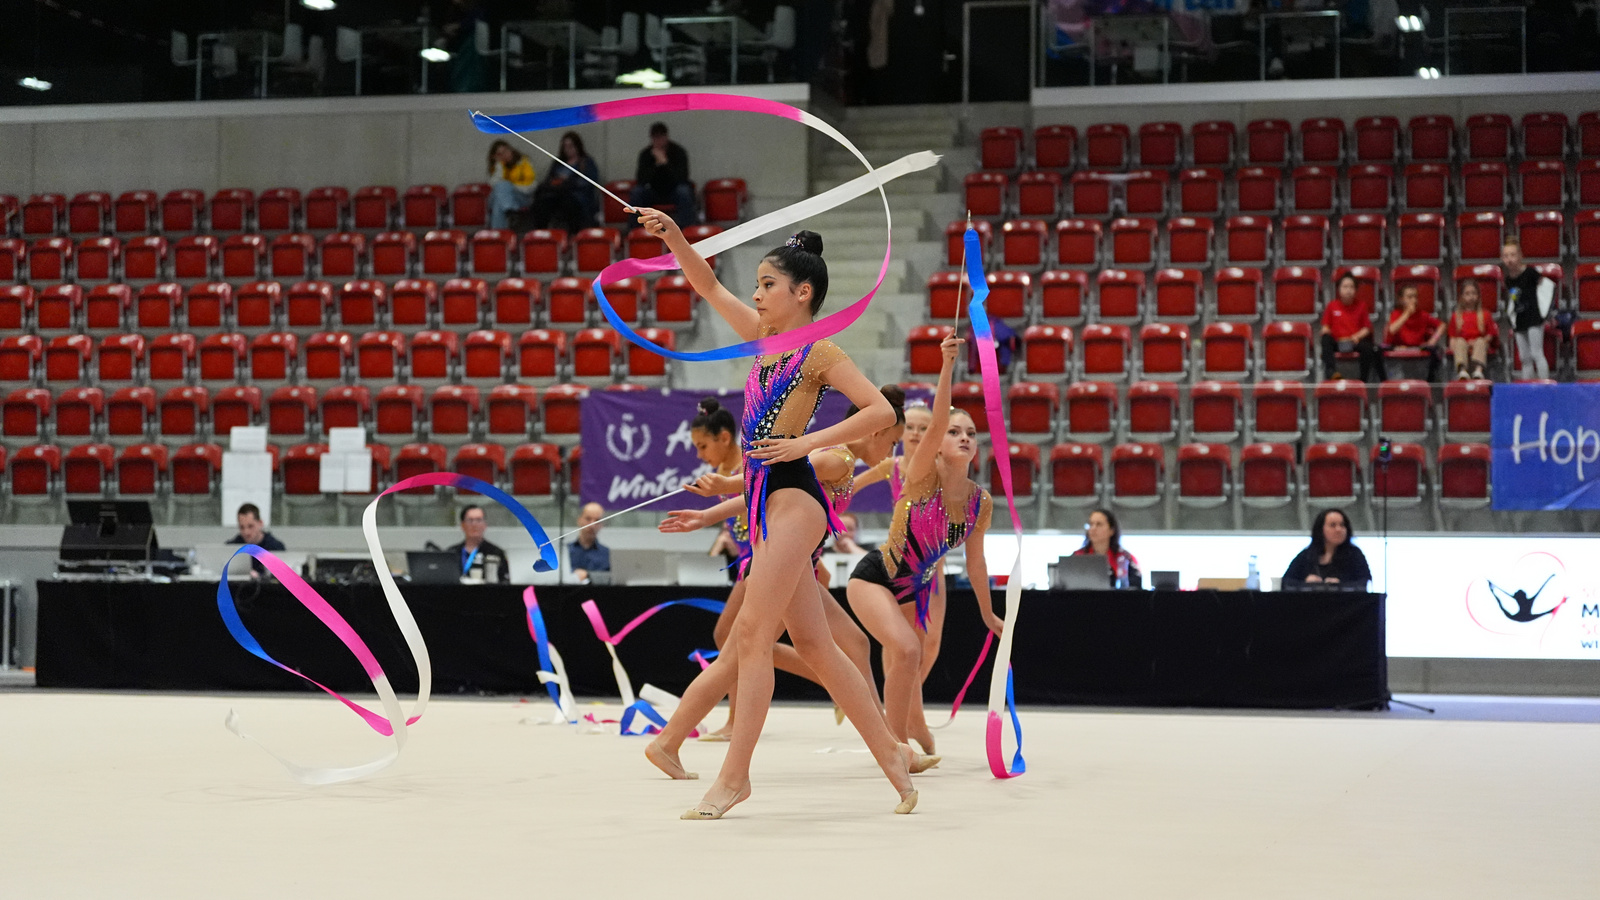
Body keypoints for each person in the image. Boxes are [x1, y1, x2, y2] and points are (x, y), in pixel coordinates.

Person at [634, 210, 918, 819]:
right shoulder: (764, 341)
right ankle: (892, 756)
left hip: (795, 499)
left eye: (767, 284)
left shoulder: (820, 350)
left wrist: (806, 445)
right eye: (758, 284)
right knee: (818, 648)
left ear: (803, 293)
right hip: (767, 501)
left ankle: (734, 777)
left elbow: (878, 413)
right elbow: (708, 287)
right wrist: (676, 239)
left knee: (753, 636)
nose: (757, 294)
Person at [678, 387, 905, 742]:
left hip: (798, 566)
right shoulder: (837, 460)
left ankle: (890, 741)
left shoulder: (843, 464)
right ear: (876, 431)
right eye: (893, 443)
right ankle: (677, 737)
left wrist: (709, 512)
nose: (892, 452)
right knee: (737, 650)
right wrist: (716, 501)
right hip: (782, 564)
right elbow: (772, 481)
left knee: (850, 644)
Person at [846, 335, 1003, 758]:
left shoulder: (980, 502)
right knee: (906, 649)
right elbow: (933, 425)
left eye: (971, 433)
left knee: (914, 655)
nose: (964, 438)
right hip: (875, 577)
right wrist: (947, 365)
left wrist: (989, 614)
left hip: (919, 585)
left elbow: (977, 564)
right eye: (955, 432)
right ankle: (895, 746)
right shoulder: (916, 474)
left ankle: (906, 737)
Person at [529, 131, 600, 233]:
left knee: (569, 203)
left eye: (571, 146)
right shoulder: (558, 163)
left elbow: (589, 182)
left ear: (577, 146)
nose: (568, 149)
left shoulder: (586, 162)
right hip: (557, 194)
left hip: (576, 196)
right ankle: (541, 233)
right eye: (565, 146)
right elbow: (549, 180)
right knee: (542, 203)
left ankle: (573, 234)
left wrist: (568, 182)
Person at [629, 122, 697, 227]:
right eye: (655, 138)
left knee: (684, 191)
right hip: (654, 191)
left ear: (666, 137)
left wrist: (665, 163)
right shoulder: (646, 154)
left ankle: (688, 228)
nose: (658, 141)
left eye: (661, 137)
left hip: (673, 191)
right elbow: (641, 179)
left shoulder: (678, 152)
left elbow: (682, 177)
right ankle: (635, 230)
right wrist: (656, 165)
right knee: (637, 192)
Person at [1282, 508, 1372, 588]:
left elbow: (1364, 583)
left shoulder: (1355, 554)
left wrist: (1341, 585)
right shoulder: (1307, 555)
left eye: (1342, 525)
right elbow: (1286, 582)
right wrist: (1306, 583)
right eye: (1333, 525)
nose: (1339, 529)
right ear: (1321, 530)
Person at [1320, 272, 1383, 382]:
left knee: (1368, 348)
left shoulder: (1361, 305)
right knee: (1325, 340)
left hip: (1354, 341)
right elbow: (1326, 326)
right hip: (1338, 342)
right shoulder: (1332, 305)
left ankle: (1363, 380)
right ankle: (1331, 372)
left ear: (1355, 290)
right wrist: (1325, 330)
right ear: (1339, 289)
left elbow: (1367, 328)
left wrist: (1357, 336)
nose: (1348, 290)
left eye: (1351, 287)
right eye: (1345, 287)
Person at [1502, 237, 1551, 381]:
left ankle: (1545, 385)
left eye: (1512, 255)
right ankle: (1527, 387)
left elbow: (1545, 287)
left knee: (1537, 353)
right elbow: (1514, 298)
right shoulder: (1508, 279)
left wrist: (1545, 310)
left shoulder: (1530, 272)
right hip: (1520, 318)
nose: (1509, 259)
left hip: (1534, 317)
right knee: (1524, 357)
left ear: (1520, 256)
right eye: (1506, 256)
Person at [1384, 284, 1446, 382]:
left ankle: (1430, 382)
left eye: (1415, 297)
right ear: (1401, 300)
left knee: (1436, 351)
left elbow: (1442, 325)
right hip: (1399, 351)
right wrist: (1407, 313)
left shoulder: (1423, 315)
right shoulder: (1396, 314)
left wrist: (1433, 340)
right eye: (1409, 297)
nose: (1413, 300)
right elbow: (1392, 330)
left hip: (1418, 350)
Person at [1072, 508, 1141, 589]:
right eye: (1091, 524)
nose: (1093, 528)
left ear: (1111, 530)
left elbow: (1136, 588)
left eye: (1099, 524)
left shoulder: (1125, 558)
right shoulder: (1077, 557)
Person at [445, 504, 509, 584]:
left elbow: (504, 581)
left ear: (485, 525)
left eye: (479, 520)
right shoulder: (452, 552)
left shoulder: (496, 552)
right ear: (462, 525)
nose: (474, 524)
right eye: (470, 520)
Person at [1448, 279, 1497, 381]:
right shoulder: (1456, 316)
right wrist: (1454, 346)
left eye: (1474, 293)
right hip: (1463, 343)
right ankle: (1462, 370)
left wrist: (1477, 342)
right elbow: (1452, 337)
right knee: (1460, 342)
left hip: (1479, 343)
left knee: (1480, 341)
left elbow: (1490, 335)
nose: (1471, 296)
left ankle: (1478, 371)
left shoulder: (1485, 314)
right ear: (1461, 297)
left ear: (1478, 295)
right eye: (1467, 293)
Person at [487, 140, 537, 230]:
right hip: (508, 201)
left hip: (523, 196)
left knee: (500, 195)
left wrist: (511, 187)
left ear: (511, 150)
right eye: (500, 154)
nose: (505, 155)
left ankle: (498, 234)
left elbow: (531, 185)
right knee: (498, 199)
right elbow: (493, 184)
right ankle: (509, 212)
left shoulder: (524, 162)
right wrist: (499, 165)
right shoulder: (499, 167)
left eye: (506, 151)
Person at [227, 503, 285, 579]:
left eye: (250, 526)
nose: (246, 532)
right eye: (242, 527)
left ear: (260, 523)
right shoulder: (233, 546)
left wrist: (260, 576)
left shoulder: (275, 547)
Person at [568, 502, 610, 583]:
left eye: (597, 520)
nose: (592, 525)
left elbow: (610, 579)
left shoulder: (607, 554)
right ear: (579, 520)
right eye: (588, 519)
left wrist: (588, 575)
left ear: (602, 524)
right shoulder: (566, 551)